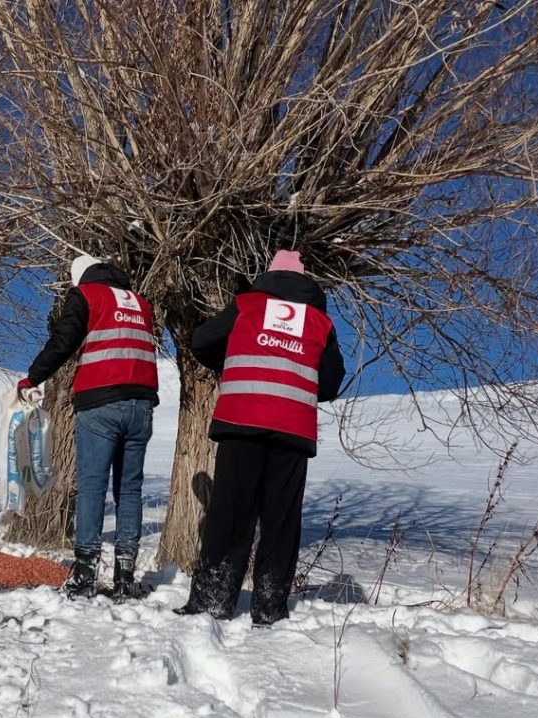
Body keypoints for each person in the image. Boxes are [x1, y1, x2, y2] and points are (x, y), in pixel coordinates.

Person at [175, 249, 345, 625]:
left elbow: (201, 340)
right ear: (306, 282)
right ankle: (269, 608)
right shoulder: (319, 322)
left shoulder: (247, 305)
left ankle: (212, 601)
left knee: (231, 512)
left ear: (268, 276)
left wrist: (233, 358)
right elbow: (332, 382)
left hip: (243, 420)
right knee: (281, 520)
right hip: (292, 429)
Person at [18, 255, 159, 600]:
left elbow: (63, 341)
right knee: (129, 489)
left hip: (101, 402)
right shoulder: (140, 302)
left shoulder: (86, 295)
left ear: (79, 279)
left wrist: (33, 376)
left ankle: (84, 575)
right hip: (141, 404)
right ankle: (125, 578)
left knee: (93, 487)